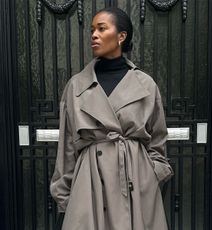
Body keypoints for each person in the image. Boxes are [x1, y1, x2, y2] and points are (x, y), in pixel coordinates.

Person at [50, 7, 173, 230]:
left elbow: (157, 139)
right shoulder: (76, 85)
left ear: (121, 36)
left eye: (101, 28)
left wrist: (151, 175)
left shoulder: (145, 84)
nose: (94, 35)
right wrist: (65, 195)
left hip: (137, 181)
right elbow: (67, 148)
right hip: (90, 184)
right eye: (92, 30)